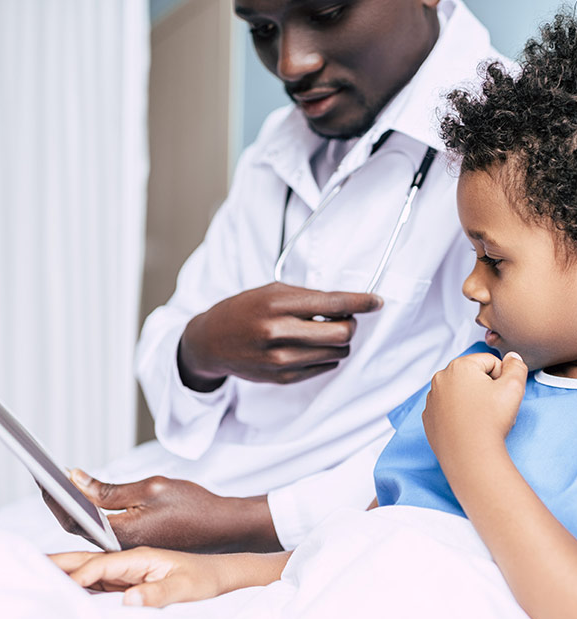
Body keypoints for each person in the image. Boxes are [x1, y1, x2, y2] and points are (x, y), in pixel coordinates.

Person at [52, 13, 577, 619]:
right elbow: (357, 547)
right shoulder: (478, 384)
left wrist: (473, 456)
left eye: (493, 261)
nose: (471, 287)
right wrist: (206, 578)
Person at [49, 0, 508, 554]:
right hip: (202, 488)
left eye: (327, 11)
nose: (291, 64)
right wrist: (203, 346)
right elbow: (165, 342)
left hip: (337, 529)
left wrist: (242, 521)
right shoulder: (278, 145)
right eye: (262, 29)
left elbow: (490, 425)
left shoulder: (523, 140)